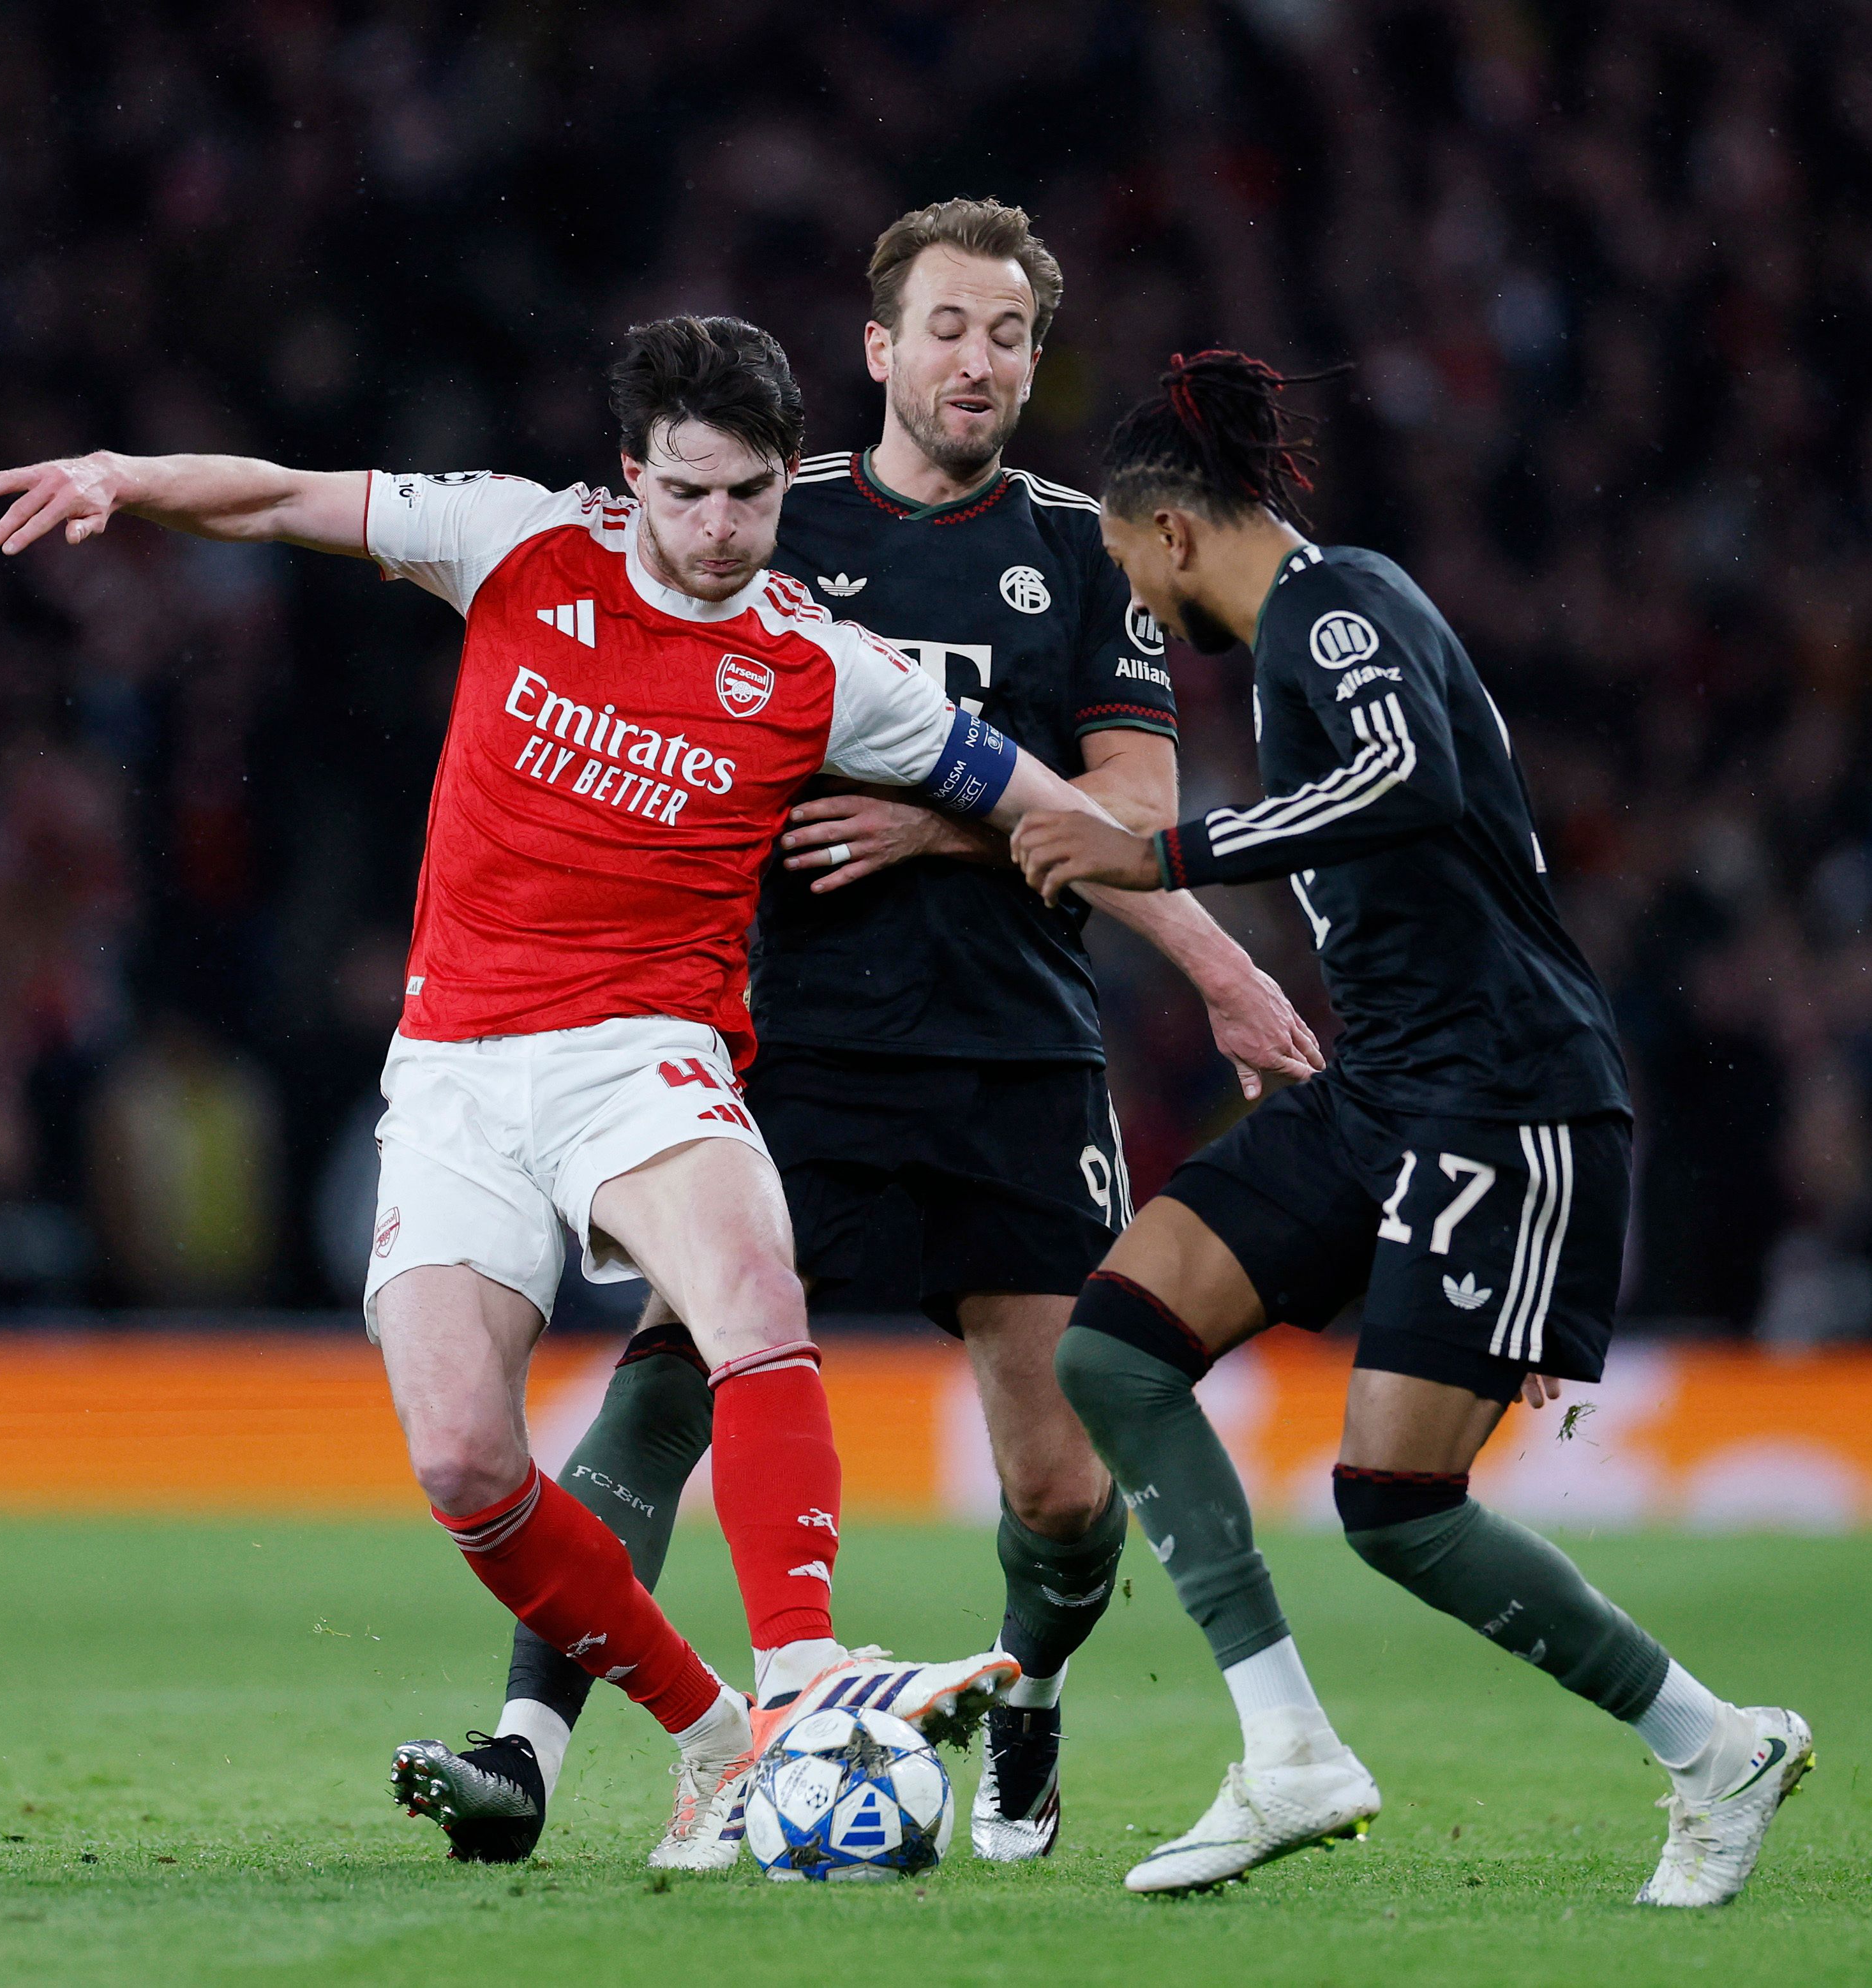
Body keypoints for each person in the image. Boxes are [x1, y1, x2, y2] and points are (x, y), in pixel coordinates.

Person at [0, 317, 1304, 1870]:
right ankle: (715, 1736)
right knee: (464, 1462)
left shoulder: (821, 666)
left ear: (779, 477)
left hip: (645, 1054)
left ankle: (802, 1672)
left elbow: (1048, 808)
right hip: (456, 1070)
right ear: (630, 475)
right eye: (687, 493)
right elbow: (276, 497)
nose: (721, 528)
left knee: (748, 1289)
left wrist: (1222, 970)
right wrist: (123, 477)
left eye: (749, 495)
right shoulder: (515, 541)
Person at [417, 199, 1322, 1869]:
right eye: (946, 328)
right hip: (782, 1041)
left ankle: (1027, 1690)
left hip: (1012, 1048)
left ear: (1032, 365)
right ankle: (525, 1748)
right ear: (878, 348)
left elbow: (1132, 802)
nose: (975, 360)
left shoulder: (1078, 550)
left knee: (1058, 1485)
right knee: (667, 1388)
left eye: (1007, 336)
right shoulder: (763, 513)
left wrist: (941, 822)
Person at [1012, 350, 1813, 1908]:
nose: (1138, 610)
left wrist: (1156, 853)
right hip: (1383, 1083)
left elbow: (1406, 777)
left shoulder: (1336, 604)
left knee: (1392, 1504)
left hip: (1504, 1093)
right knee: (1109, 1350)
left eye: (1128, 571)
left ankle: (1712, 1746)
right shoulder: (1293, 638)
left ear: (1169, 531)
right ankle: (1287, 1750)